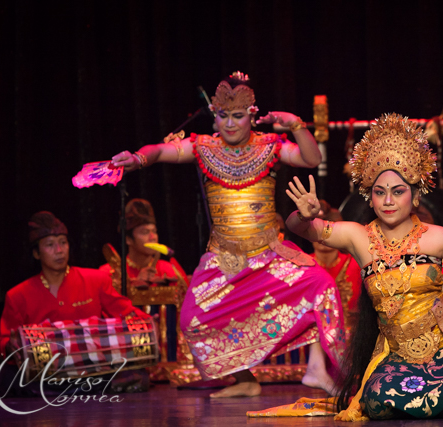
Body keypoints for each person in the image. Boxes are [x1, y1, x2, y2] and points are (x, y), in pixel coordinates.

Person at [276, 113, 443, 420]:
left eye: (398, 192)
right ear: (369, 198)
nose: (388, 200)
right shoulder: (359, 237)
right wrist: (304, 215)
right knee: (377, 403)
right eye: (380, 192)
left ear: (414, 195)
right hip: (395, 351)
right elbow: (299, 228)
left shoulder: (436, 237)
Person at [109, 72, 345, 398]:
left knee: (323, 285)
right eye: (223, 116)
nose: (230, 124)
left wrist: (294, 125)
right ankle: (244, 379)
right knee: (192, 319)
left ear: (251, 116)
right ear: (215, 117)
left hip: (269, 253)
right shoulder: (202, 147)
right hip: (225, 258)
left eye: (238, 116)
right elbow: (160, 151)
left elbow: (311, 158)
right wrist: (137, 158)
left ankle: (320, 366)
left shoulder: (270, 146)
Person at [0, 211, 149, 396]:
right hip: (46, 371)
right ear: (37, 254)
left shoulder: (95, 280)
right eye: (50, 245)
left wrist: (147, 323)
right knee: (3, 377)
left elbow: (126, 312)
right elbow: (5, 341)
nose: (59, 250)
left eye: (63, 242)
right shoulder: (18, 295)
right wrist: (10, 346)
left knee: (132, 371)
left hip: (92, 366)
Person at [99, 198, 187, 362]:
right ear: (128, 240)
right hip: (129, 351)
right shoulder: (110, 272)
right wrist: (132, 285)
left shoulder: (167, 268)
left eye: (154, 231)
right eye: (145, 232)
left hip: (169, 354)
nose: (152, 237)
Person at [310, 200, 361, 331]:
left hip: (352, 342)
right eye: (317, 230)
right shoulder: (302, 266)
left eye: (329, 231)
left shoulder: (357, 264)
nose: (323, 237)